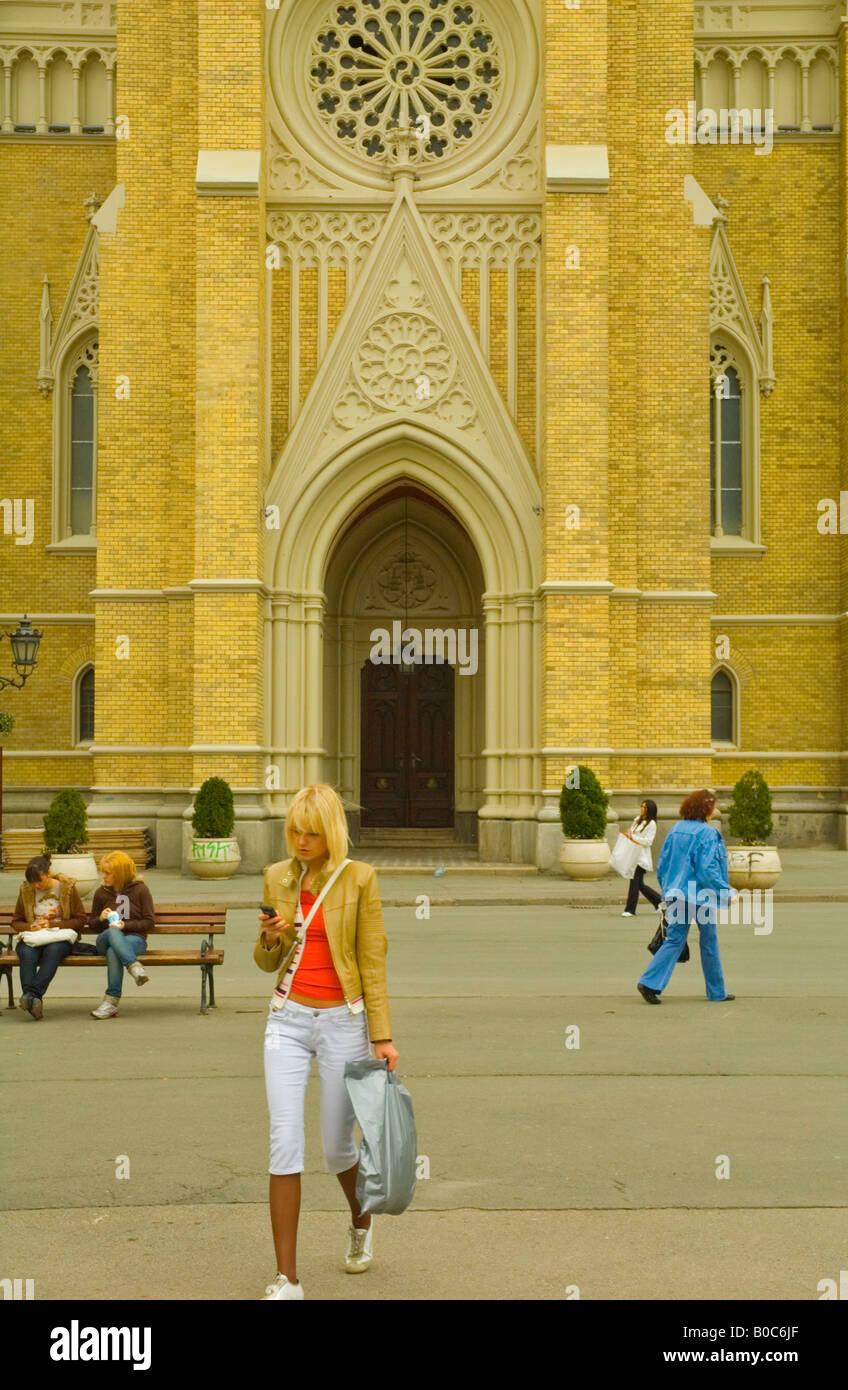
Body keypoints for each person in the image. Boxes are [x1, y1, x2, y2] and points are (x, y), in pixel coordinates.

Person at [255, 783, 398, 1301]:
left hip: (344, 1023)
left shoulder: (360, 879)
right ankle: (287, 1279)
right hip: (286, 1022)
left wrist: (381, 1036)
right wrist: (271, 936)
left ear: (331, 830)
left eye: (311, 831)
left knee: (339, 1148)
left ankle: (361, 1220)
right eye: (295, 829)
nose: (301, 840)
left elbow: (372, 963)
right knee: (284, 1140)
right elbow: (267, 960)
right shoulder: (277, 876)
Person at [637, 788, 736, 1005]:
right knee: (709, 941)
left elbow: (662, 865)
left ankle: (649, 982)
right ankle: (716, 991)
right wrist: (725, 892)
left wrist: (667, 890)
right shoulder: (708, 833)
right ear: (706, 809)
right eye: (712, 806)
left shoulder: (676, 829)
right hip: (700, 896)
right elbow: (707, 870)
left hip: (676, 893)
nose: (714, 810)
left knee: (673, 939)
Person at [11, 855, 86, 1019]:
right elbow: (16, 921)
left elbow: (80, 919)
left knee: (54, 951)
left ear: (48, 873)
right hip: (34, 936)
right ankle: (34, 1000)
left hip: (59, 937)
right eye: (33, 883)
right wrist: (30, 926)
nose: (37, 886)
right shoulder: (26, 891)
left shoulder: (66, 888)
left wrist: (52, 925)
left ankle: (30, 995)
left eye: (40, 881)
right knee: (26, 952)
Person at [89, 852, 155, 1019]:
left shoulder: (140, 889)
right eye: (102, 871)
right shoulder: (101, 893)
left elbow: (149, 922)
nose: (103, 876)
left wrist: (126, 925)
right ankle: (134, 967)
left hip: (134, 940)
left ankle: (111, 1002)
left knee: (114, 952)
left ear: (121, 873)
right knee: (112, 932)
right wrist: (101, 918)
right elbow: (92, 924)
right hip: (105, 939)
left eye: (107, 873)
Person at [621, 799, 662, 917]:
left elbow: (648, 841)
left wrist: (633, 837)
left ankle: (630, 909)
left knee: (634, 883)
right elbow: (630, 832)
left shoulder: (652, 824)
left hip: (641, 858)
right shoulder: (637, 820)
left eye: (644, 807)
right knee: (640, 885)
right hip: (633, 855)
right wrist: (628, 835)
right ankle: (659, 901)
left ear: (649, 810)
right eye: (642, 806)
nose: (642, 809)